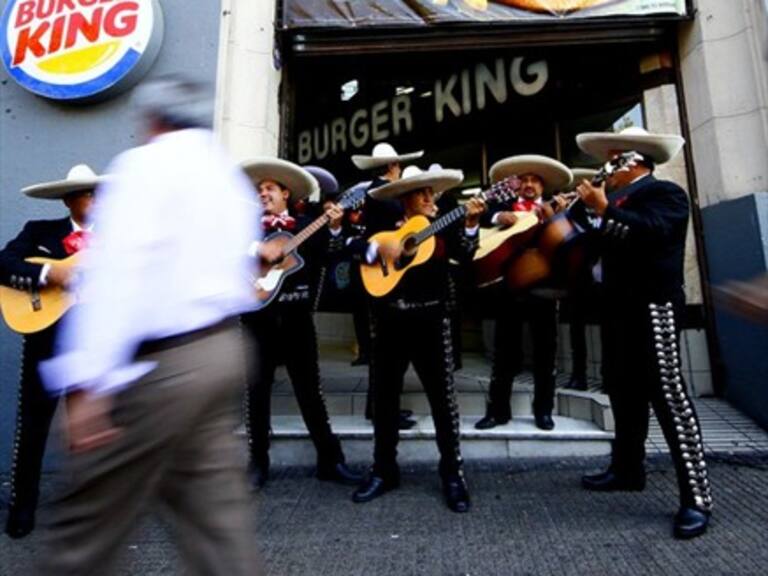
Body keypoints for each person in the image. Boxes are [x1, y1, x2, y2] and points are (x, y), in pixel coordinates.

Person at [37, 77, 263, 574]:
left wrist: (88, 381)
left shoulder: (144, 167)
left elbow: (118, 276)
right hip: (220, 350)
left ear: (153, 120)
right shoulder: (226, 177)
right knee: (216, 522)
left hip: (159, 365)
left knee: (86, 524)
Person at [576, 126, 713, 539]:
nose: (606, 167)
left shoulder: (666, 193)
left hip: (654, 306)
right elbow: (596, 248)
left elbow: (649, 233)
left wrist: (604, 209)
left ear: (632, 162)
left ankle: (696, 498)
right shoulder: (613, 201)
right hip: (617, 309)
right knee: (622, 390)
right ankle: (627, 469)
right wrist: (574, 216)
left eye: (612, 159)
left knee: (668, 395)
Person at [350, 165, 486, 513]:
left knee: (443, 402)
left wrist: (471, 224)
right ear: (405, 198)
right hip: (389, 321)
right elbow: (355, 248)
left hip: (430, 321)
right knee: (384, 401)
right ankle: (384, 470)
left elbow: (465, 253)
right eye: (421, 193)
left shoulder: (447, 222)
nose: (429, 197)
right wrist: (381, 250)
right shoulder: (385, 221)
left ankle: (452, 474)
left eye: (431, 192)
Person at [240, 158, 360, 490]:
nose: (263, 193)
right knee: (257, 392)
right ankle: (258, 462)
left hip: (297, 320)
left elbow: (330, 253)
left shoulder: (307, 225)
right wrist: (259, 248)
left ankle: (330, 460)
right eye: (260, 189)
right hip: (258, 321)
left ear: (286, 194)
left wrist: (334, 227)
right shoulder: (246, 227)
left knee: (310, 392)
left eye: (270, 188)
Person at [0, 165, 102, 538]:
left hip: (92, 346)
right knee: (33, 425)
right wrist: (48, 275)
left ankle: (89, 509)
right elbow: (3, 263)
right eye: (88, 194)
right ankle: (22, 506)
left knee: (88, 429)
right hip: (46, 342)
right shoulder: (39, 232)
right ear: (68, 200)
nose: (97, 200)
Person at [474, 155, 572, 431]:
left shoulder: (558, 208)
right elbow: (481, 216)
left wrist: (557, 219)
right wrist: (498, 216)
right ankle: (497, 411)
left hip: (544, 287)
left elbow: (567, 245)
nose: (529, 185)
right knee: (504, 353)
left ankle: (544, 411)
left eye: (535, 180)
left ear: (543, 186)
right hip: (509, 287)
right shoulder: (502, 206)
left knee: (545, 353)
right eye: (524, 180)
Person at [351, 142, 424, 429]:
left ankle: (380, 408)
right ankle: (382, 410)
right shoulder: (386, 195)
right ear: (393, 166)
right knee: (386, 352)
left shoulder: (373, 193)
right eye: (399, 166)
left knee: (385, 350)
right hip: (385, 275)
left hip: (385, 276)